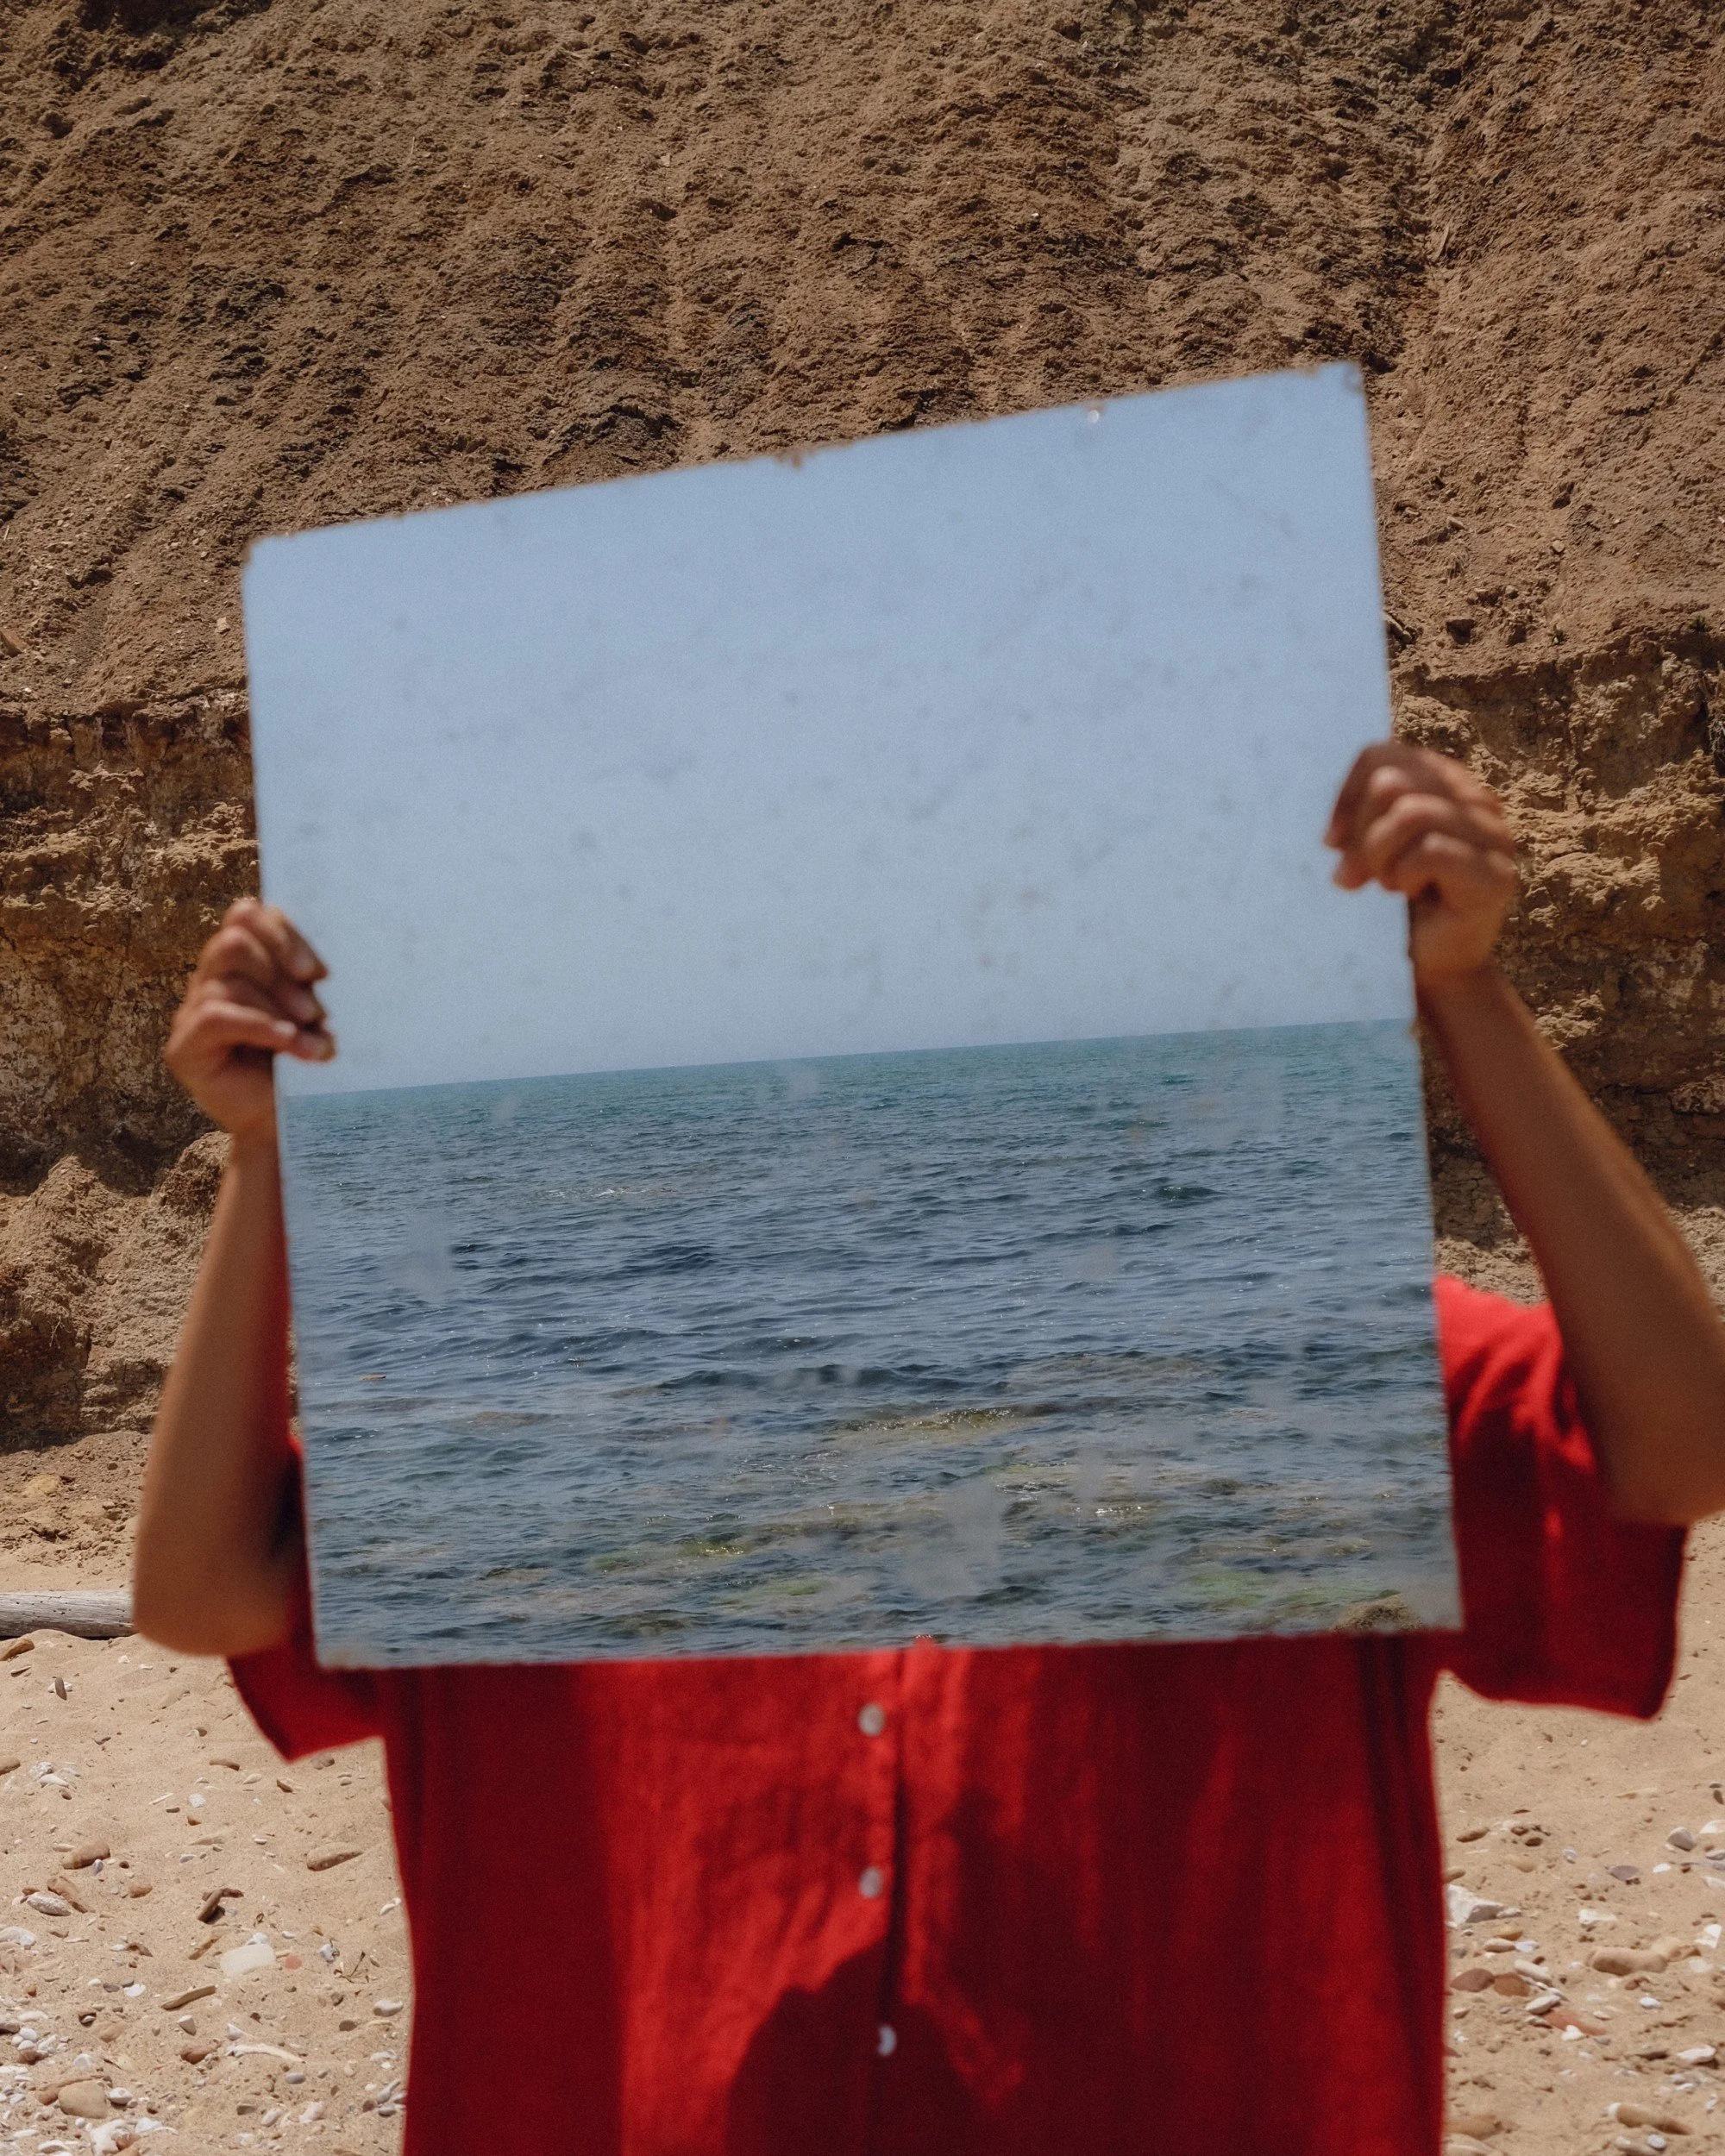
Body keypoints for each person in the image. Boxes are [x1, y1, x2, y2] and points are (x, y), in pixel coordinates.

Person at [135, 743, 1725, 2155]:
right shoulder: (563, 1376)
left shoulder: (1268, 1345)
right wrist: (272, 1154)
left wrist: (1464, 994)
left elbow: (1677, 1445)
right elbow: (207, 1586)